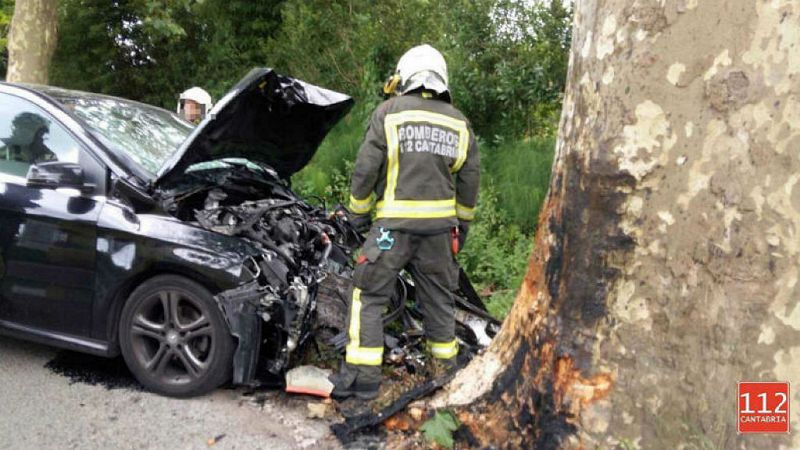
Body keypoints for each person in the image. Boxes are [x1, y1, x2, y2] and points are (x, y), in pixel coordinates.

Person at [330, 44, 480, 400]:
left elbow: (366, 170)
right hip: (439, 234)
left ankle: (363, 383)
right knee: (440, 302)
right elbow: (470, 179)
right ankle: (444, 374)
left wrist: (357, 214)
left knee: (368, 296)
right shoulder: (459, 122)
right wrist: (461, 227)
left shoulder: (389, 112)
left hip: (392, 231)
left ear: (407, 75)